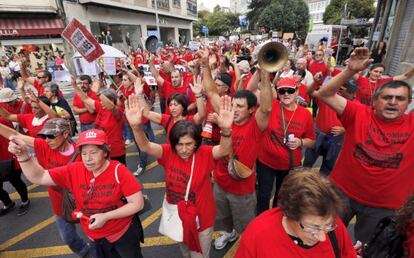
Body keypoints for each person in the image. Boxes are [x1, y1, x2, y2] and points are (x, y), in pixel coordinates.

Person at [315, 47, 414, 244]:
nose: (393, 102)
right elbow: (324, 94)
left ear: (408, 103)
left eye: (400, 98)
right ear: (375, 101)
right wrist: (350, 70)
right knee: (323, 240)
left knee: (369, 250)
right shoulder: (359, 113)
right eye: (387, 97)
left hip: (386, 207)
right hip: (341, 194)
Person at [125, 93, 233, 258]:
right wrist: (136, 127)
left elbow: (224, 150)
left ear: (197, 143)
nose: (183, 149)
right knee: (184, 251)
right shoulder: (168, 152)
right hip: (177, 215)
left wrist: (226, 130)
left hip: (201, 219)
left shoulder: (204, 154)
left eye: (189, 144)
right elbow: (145, 146)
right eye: (179, 144)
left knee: (198, 255)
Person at [8, 128, 144, 258]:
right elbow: (39, 176)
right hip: (94, 237)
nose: (88, 158)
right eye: (84, 153)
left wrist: (106, 216)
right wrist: (23, 156)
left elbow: (137, 204)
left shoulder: (119, 171)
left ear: (105, 152)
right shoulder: (74, 170)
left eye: (94, 152)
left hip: (121, 234)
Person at [200, 47, 273, 250]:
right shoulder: (226, 114)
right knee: (223, 217)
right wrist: (206, 66)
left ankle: (248, 246)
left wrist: (264, 76)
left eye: (240, 107)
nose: (235, 110)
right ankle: (228, 233)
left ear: (251, 109)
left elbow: (266, 107)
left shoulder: (255, 126)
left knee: (247, 226)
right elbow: (211, 91)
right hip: (221, 183)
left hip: (242, 189)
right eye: (234, 105)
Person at [0, 118, 90, 257]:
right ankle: (84, 251)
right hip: (59, 204)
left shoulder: (83, 155)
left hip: (84, 204)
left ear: (66, 134)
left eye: (51, 136)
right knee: (68, 238)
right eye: (43, 136)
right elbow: (15, 135)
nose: (46, 139)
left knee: (97, 236)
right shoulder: (44, 146)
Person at [235, 170, 356, 258]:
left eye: (328, 226)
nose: (323, 237)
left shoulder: (329, 222)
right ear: (289, 214)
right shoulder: (257, 237)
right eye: (314, 228)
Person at [256, 77, 315, 215]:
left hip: (288, 165)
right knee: (263, 195)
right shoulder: (271, 106)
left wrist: (300, 142)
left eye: (290, 90)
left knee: (281, 196)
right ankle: (262, 219)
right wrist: (262, 74)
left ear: (297, 92)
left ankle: (276, 219)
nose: (286, 94)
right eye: (282, 91)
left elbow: (312, 141)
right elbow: (253, 91)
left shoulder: (305, 114)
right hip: (266, 162)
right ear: (277, 93)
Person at [303, 76, 359, 176]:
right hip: (318, 135)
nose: (354, 95)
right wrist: (315, 82)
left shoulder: (355, 103)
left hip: (336, 141)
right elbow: (310, 92)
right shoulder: (328, 97)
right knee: (308, 162)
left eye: (355, 92)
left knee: (328, 166)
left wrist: (344, 129)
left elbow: (358, 122)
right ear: (342, 89)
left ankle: (321, 187)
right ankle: (302, 182)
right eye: (351, 92)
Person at [71, 80, 126, 164]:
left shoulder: (117, 111)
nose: (101, 102)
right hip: (102, 149)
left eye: (103, 100)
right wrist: (74, 85)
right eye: (100, 100)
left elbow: (111, 107)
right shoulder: (101, 107)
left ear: (112, 100)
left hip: (115, 150)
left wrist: (98, 93)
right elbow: (86, 99)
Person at [0, 117, 30, 216]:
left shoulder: (2, 120)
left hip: (8, 157)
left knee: (15, 181)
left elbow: (13, 136)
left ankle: (25, 201)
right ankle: (8, 203)